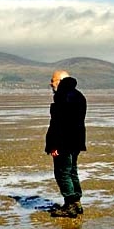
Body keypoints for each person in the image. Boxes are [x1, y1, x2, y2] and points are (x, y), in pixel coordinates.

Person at [45, 70, 87, 218]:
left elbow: (59, 125)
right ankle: (76, 203)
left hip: (64, 143)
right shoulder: (78, 95)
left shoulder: (64, 96)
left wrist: (54, 147)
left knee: (63, 173)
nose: (50, 83)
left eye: (53, 80)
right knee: (72, 172)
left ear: (61, 81)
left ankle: (71, 205)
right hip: (75, 142)